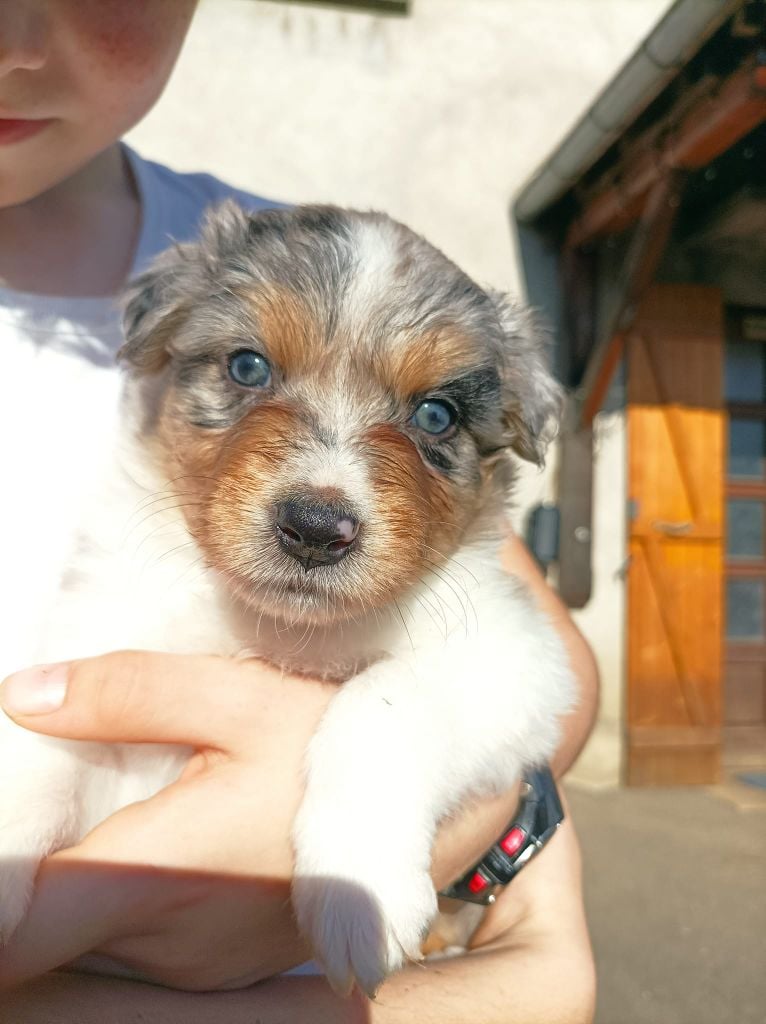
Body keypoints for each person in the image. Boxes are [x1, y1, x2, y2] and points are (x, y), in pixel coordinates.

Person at [0, 3, 598, 1021]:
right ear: (158, 349)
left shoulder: (445, 610)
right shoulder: (136, 543)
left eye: (432, 415)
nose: (326, 495)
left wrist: (382, 775)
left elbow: (539, 681)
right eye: (248, 369)